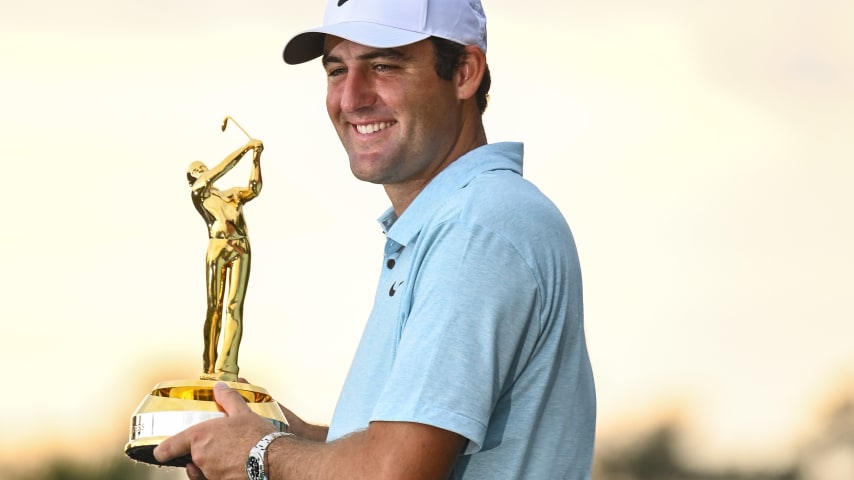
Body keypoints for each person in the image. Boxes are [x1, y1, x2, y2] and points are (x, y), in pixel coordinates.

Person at [155, 0, 596, 478]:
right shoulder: (459, 220)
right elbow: (402, 449)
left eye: (384, 65)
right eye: (336, 70)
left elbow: (394, 471)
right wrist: (284, 438)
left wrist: (260, 454)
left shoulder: (477, 228)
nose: (351, 98)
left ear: (466, 72)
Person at [186, 137, 264, 382]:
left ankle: (228, 368)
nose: (202, 170)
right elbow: (219, 170)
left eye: (201, 167)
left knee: (234, 307)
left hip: (240, 246)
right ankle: (209, 367)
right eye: (196, 170)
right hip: (217, 246)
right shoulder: (199, 193)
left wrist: (256, 158)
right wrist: (244, 148)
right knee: (215, 307)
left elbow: (253, 188)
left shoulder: (229, 196)